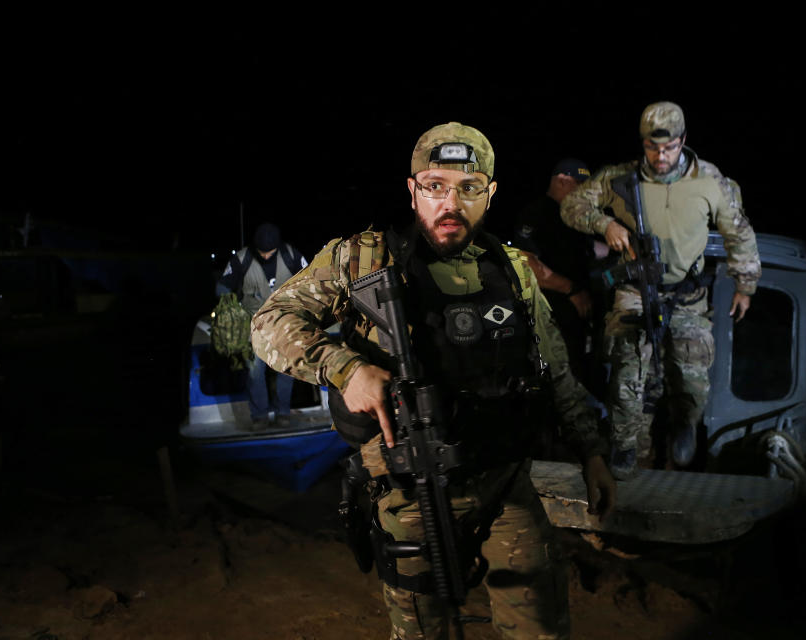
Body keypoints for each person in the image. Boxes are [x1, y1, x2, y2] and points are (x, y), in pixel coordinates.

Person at [250, 122, 616, 639]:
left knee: (540, 629)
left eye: (468, 189)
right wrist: (344, 368)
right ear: (412, 189)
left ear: (489, 194)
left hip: (504, 485)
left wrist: (592, 454)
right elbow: (269, 322)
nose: (451, 202)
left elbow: (555, 370)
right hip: (410, 493)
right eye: (435, 186)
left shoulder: (513, 270)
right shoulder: (361, 259)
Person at [560, 101, 761, 478]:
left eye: (668, 147)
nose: (660, 155)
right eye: (652, 147)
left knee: (693, 375)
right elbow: (571, 205)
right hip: (636, 287)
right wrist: (605, 225)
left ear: (683, 141)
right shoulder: (621, 178)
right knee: (626, 372)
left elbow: (739, 232)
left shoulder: (711, 181)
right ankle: (624, 443)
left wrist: (744, 284)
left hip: (687, 294)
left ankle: (685, 424)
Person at [513, 158, 599, 390]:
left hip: (577, 320)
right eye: (580, 185)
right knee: (561, 385)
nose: (585, 193)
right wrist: (572, 290)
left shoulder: (572, 218)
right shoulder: (537, 213)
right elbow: (527, 264)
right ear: (562, 181)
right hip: (551, 318)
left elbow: (592, 251)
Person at [216, 222, 307, 429]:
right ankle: (260, 415)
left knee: (286, 368)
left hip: (284, 321)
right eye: (261, 252)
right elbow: (222, 286)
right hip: (253, 323)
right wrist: (229, 306)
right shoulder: (242, 258)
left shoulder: (291, 255)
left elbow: (310, 280)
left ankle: (283, 412)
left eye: (270, 253)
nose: (265, 256)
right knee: (254, 371)